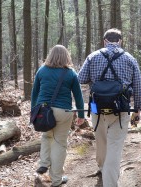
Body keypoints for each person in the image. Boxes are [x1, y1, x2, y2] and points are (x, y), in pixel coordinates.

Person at [78, 28, 141, 187]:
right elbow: (137, 86)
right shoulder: (129, 58)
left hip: (96, 108)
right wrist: (137, 109)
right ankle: (110, 182)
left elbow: (81, 78)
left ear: (104, 41)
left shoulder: (92, 57)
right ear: (120, 41)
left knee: (100, 141)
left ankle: (102, 167)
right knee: (114, 147)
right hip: (121, 109)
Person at [31, 45, 85, 187]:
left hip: (43, 111)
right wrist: (81, 114)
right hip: (64, 112)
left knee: (46, 137)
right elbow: (78, 96)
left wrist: (33, 112)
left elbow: (34, 93)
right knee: (59, 143)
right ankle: (56, 180)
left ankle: (44, 163)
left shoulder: (42, 70)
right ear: (66, 56)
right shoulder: (71, 73)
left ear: (50, 55)